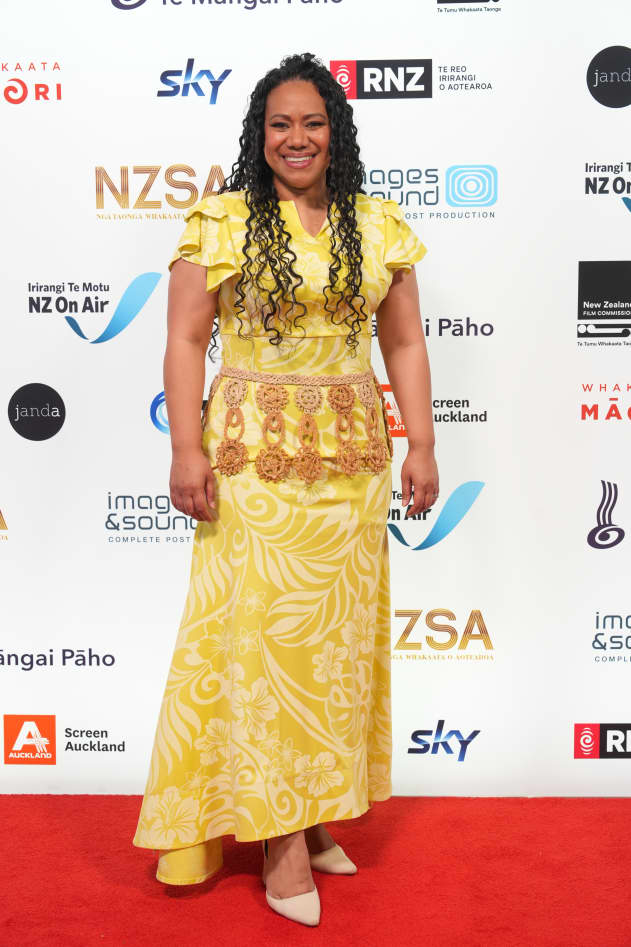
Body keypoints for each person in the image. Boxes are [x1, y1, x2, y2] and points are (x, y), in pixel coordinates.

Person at [132, 51, 438, 927]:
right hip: (251, 465)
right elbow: (184, 340)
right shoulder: (223, 220)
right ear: (258, 134)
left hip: (351, 466)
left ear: (335, 132)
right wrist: (183, 448)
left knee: (330, 653)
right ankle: (276, 836)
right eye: (279, 123)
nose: (295, 137)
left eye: (311, 122)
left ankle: (312, 807)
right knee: (260, 647)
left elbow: (404, 342)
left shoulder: (377, 225)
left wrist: (422, 442)